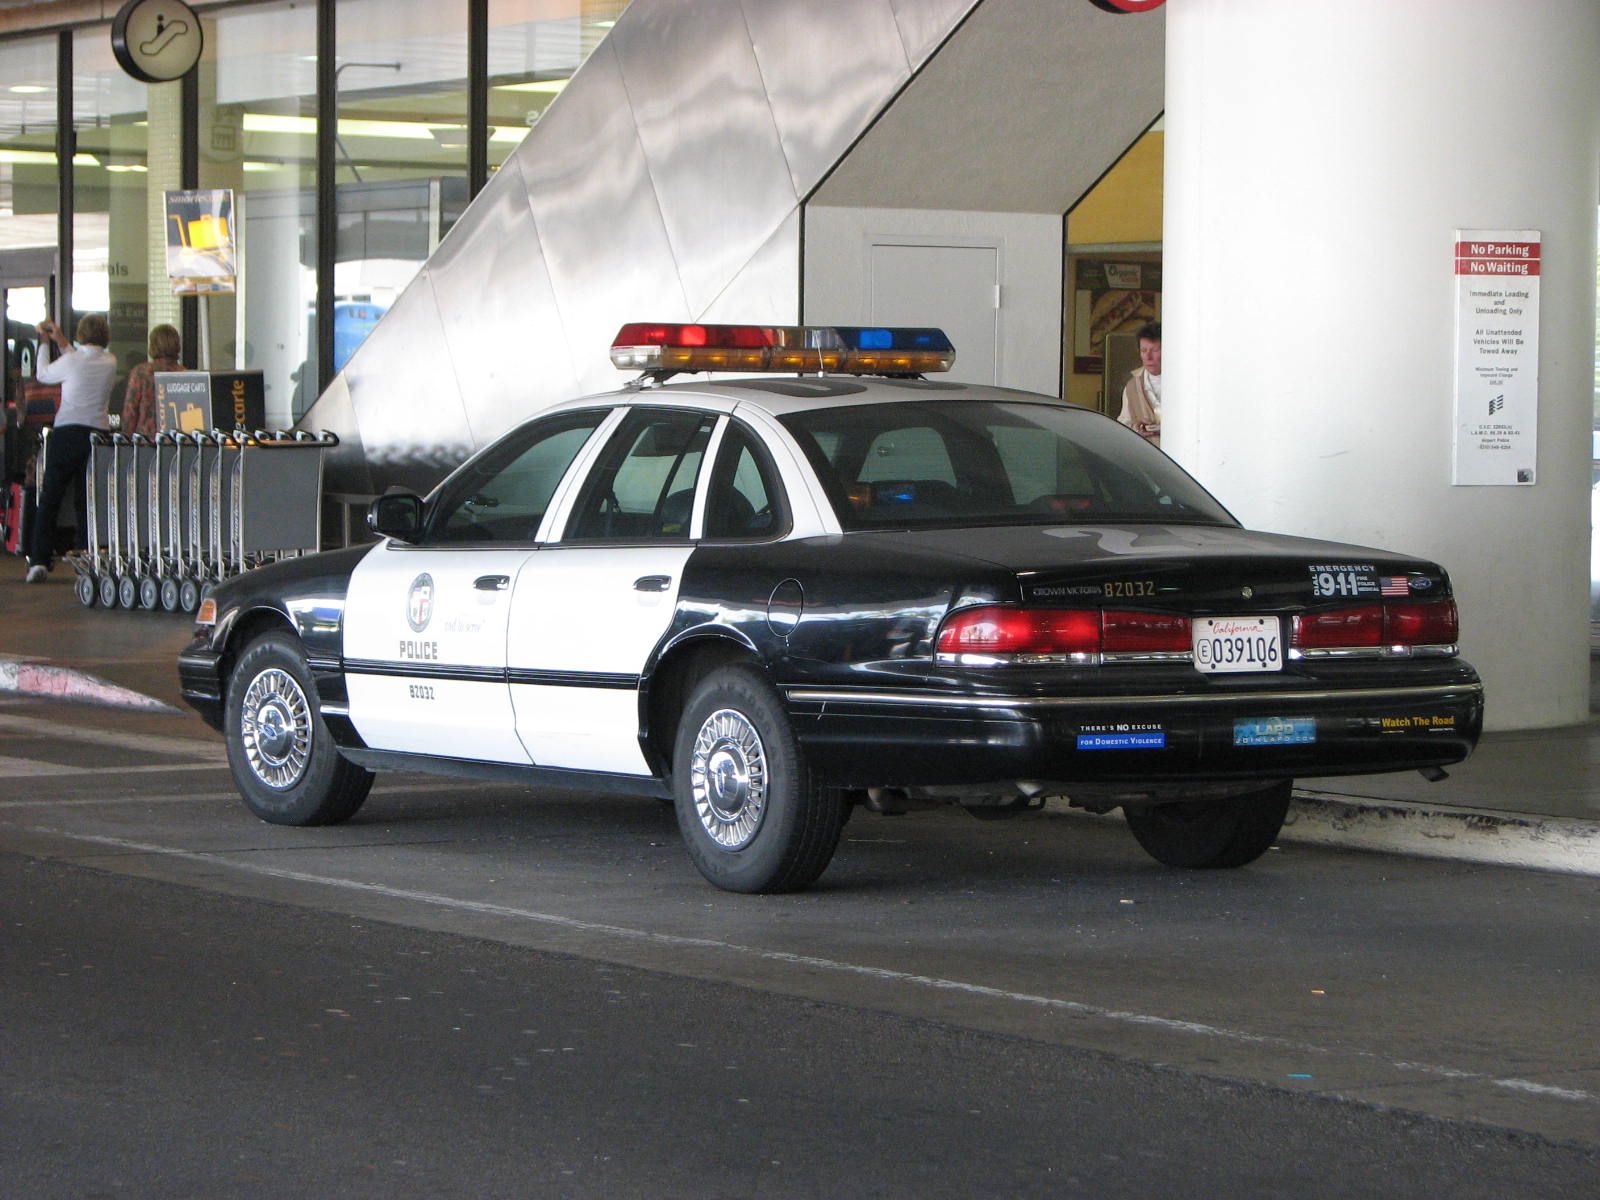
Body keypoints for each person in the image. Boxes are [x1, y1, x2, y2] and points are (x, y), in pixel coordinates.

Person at [25, 313, 116, 582]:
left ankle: (39, 560)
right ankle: (87, 557)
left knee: (51, 496)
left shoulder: (72, 361)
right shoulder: (110, 362)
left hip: (66, 434)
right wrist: (62, 340)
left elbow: (43, 374)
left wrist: (43, 342)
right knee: (86, 500)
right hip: (97, 435)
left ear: (81, 334)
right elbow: (80, 358)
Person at [119, 323, 183, 439]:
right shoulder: (184, 374)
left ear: (153, 345)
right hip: (176, 442)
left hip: (146, 442)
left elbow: (130, 411)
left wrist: (126, 439)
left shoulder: (141, 373)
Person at [1117, 319, 1162, 447]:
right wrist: (1136, 427)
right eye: (1143, 351)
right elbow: (1122, 425)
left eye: (1154, 350)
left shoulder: (1183, 384)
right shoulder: (1132, 387)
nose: (1148, 357)